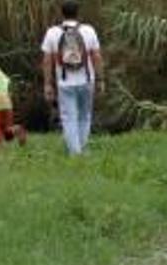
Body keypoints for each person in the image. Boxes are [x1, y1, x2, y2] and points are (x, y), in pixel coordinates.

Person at [40, 0, 103, 155]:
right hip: (87, 80)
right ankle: (82, 148)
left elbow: (47, 61)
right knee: (85, 115)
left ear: (62, 13)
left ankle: (75, 153)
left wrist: (48, 84)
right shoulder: (89, 30)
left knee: (69, 117)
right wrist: (101, 79)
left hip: (65, 82)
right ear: (78, 13)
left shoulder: (52, 32)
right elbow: (97, 57)